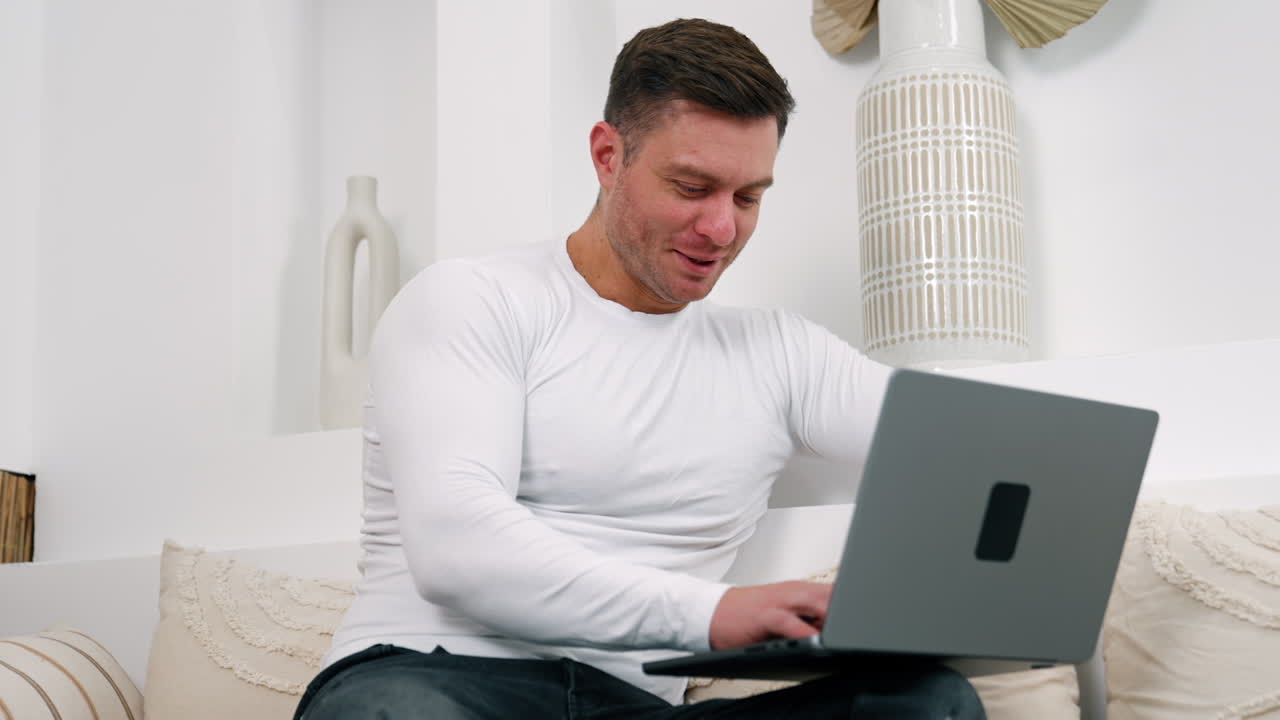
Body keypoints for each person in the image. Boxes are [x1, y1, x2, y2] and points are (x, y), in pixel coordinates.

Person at [294, 17, 985, 720]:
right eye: (692, 187)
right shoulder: (473, 300)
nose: (721, 228)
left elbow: (976, 445)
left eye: (748, 197)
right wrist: (714, 614)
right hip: (429, 681)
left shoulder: (784, 356)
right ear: (607, 155)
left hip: (631, 707)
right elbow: (457, 549)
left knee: (931, 705)